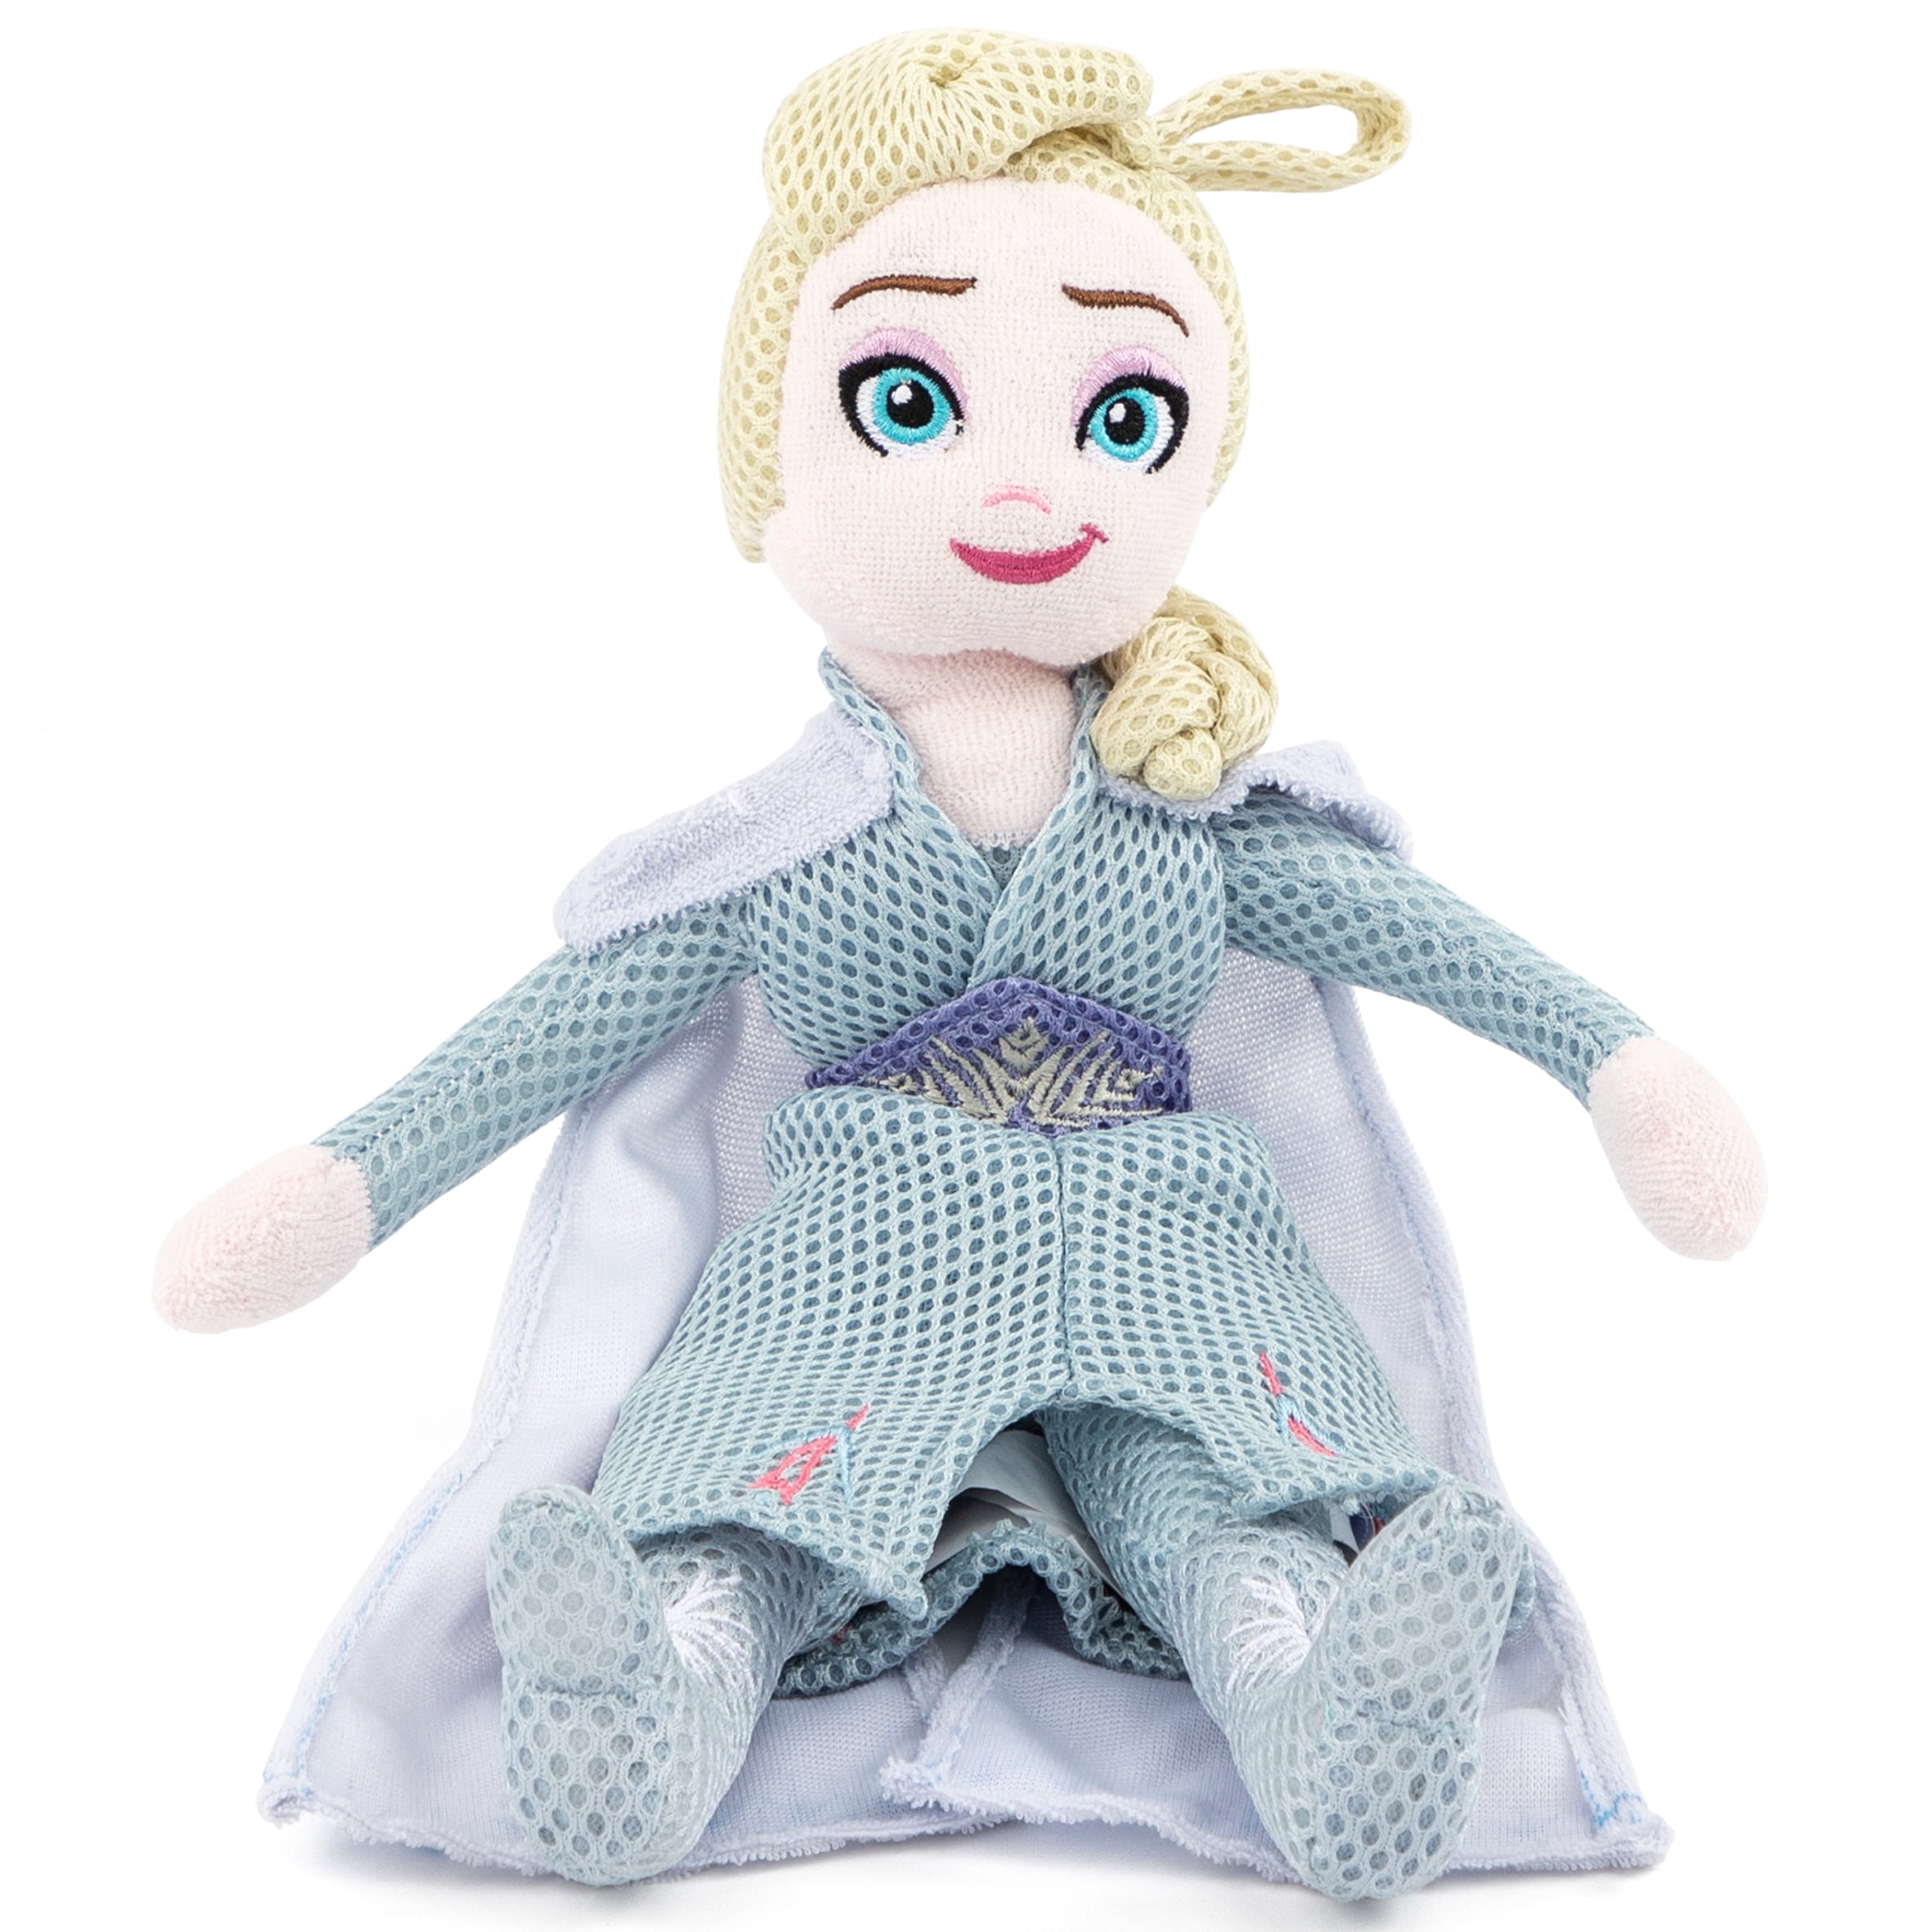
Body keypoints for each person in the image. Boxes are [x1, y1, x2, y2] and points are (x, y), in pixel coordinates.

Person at [155, 29, 1764, 1900]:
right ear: (770, 458)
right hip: (848, 1262)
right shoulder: (768, 851)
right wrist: (347, 1180)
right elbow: (559, 1023)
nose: (1022, 485)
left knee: (1228, 1509)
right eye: (908, 401)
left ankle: (1333, 1723)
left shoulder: (1196, 807)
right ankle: (640, 1716)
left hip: (1173, 1250)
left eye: (1121, 419)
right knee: (754, 1494)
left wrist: (1615, 1063)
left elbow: (1430, 943)